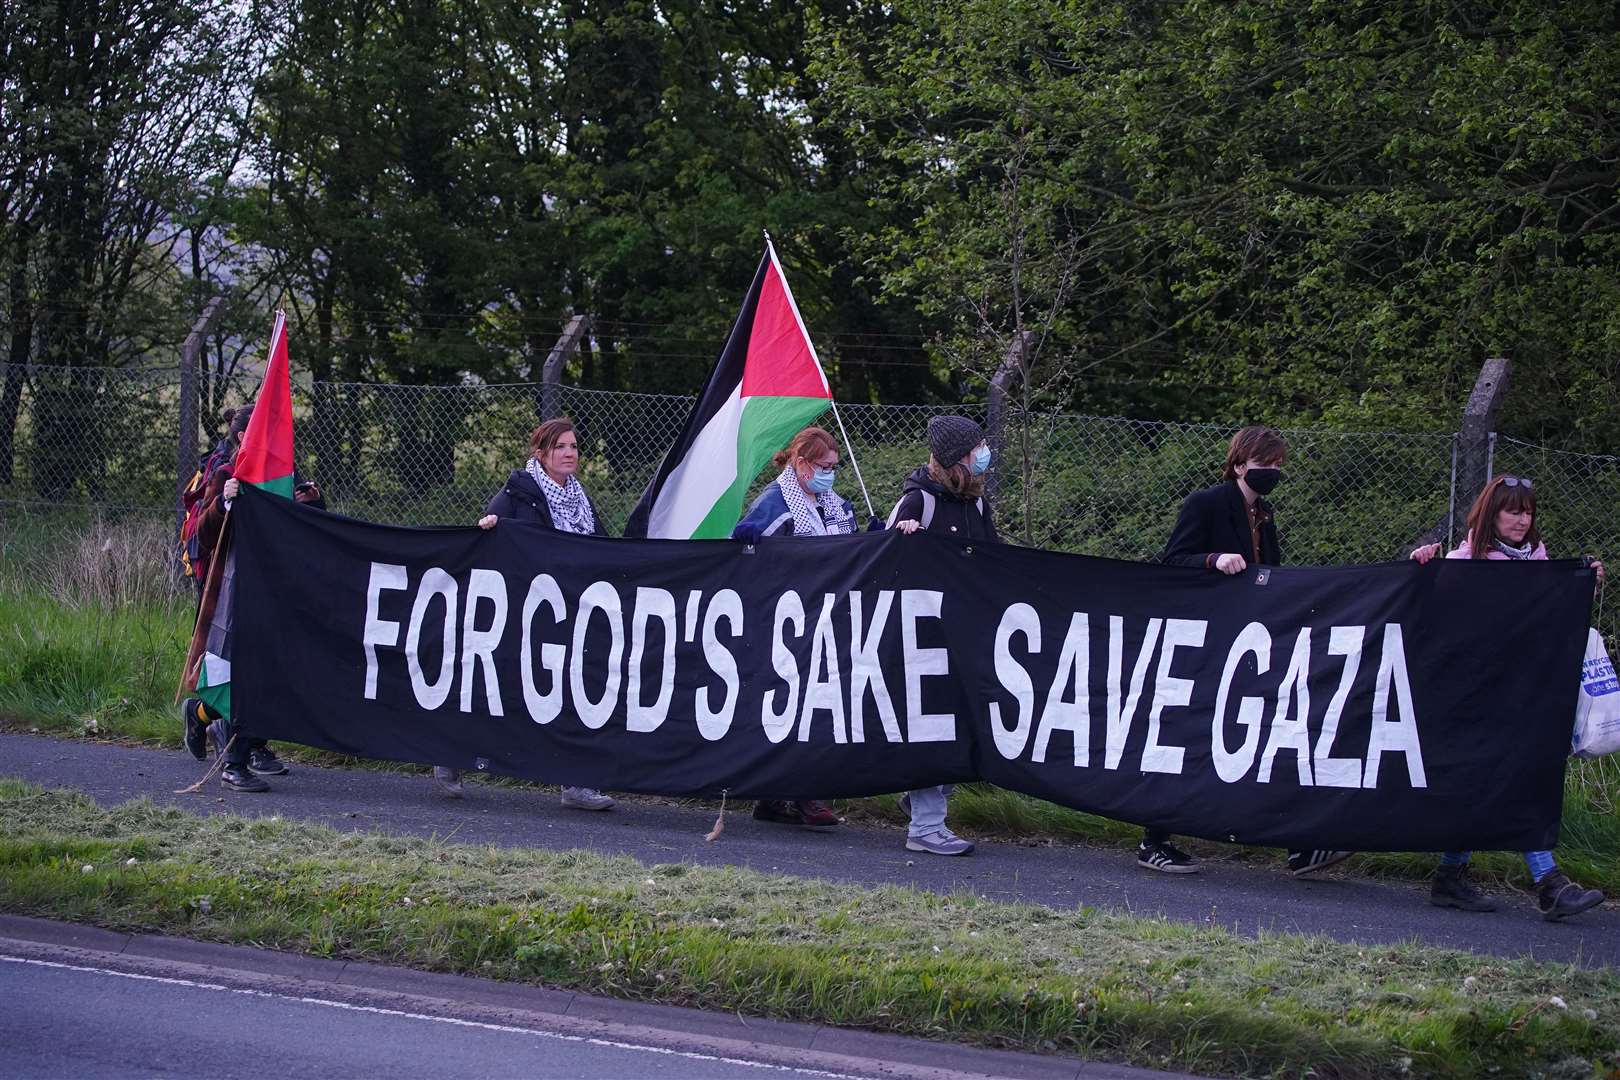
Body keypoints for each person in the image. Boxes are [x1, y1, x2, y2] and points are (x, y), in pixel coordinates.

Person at [1151, 425, 1350, 877]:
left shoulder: (1265, 513)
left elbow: (1273, 572)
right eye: (1266, 465)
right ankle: (1154, 838)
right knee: (1187, 734)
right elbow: (1171, 561)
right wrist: (1212, 560)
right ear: (1239, 464)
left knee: (1270, 735)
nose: (1273, 473)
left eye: (1279, 466)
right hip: (1209, 636)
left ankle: (1297, 844)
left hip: (1253, 638)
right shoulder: (1206, 504)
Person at [1410, 474, 1607, 920]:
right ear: (1492, 512)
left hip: (1523, 688)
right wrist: (1421, 565)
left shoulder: (1538, 558)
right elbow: (1430, 608)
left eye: (1528, 511)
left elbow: (1549, 614)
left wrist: (1581, 584)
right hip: (1477, 690)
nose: (1523, 520)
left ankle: (1451, 876)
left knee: (1496, 781)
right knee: (1507, 778)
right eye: (1513, 511)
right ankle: (1549, 884)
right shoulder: (1465, 559)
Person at [456, 417, 616, 810]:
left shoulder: (581, 501)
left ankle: (574, 784)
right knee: (504, 693)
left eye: (574, 446)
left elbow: (605, 548)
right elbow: (485, 542)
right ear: (541, 453)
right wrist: (488, 527)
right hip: (523, 618)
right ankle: (452, 753)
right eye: (560, 446)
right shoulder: (517, 494)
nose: (569, 453)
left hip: (570, 618)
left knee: (573, 694)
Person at [182, 404, 325, 792]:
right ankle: (224, 746)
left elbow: (308, 528)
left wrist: (311, 501)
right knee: (236, 675)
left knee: (267, 672)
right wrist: (224, 501)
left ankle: (238, 739)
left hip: (276, 590)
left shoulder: (283, 475)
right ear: (245, 436)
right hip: (232, 591)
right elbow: (203, 535)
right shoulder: (226, 473)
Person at [730, 425, 853, 830]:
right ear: (801, 464)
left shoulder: (836, 505)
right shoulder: (774, 504)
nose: (830, 474)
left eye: (835, 467)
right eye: (823, 466)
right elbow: (744, 550)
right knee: (796, 706)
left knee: (814, 704)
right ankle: (803, 793)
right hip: (786, 623)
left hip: (828, 619)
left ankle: (774, 795)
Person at [887, 414, 999, 856]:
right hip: (922, 640)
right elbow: (876, 555)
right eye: (978, 449)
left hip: (966, 634)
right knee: (935, 728)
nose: (984, 455)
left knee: (970, 726)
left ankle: (919, 796)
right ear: (958, 458)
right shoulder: (917, 502)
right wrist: (899, 539)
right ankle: (927, 827)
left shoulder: (977, 505)